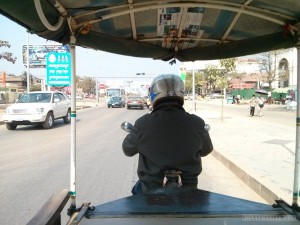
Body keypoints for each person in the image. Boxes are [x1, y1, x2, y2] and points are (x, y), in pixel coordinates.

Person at [122, 74, 214, 194]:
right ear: (181, 93)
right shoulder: (197, 123)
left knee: (136, 192)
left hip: (150, 192)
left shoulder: (143, 124)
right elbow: (207, 150)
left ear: (153, 95)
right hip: (189, 190)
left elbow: (127, 150)